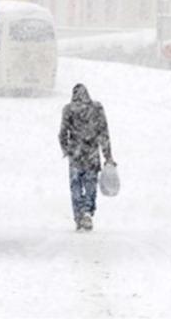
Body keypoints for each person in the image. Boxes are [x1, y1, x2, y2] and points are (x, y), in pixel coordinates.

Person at [58, 83, 115, 231]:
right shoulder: (96, 109)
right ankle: (88, 213)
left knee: (76, 185)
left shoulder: (69, 110)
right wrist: (108, 156)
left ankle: (78, 216)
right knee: (90, 184)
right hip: (92, 155)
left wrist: (66, 149)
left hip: (75, 155)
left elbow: (62, 133)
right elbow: (104, 134)